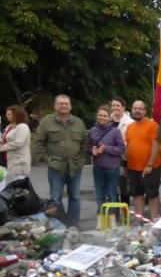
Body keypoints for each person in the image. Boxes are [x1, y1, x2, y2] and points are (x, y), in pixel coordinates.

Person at [33, 95, 87, 226]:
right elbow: (38, 142)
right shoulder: (47, 121)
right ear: (55, 106)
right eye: (60, 103)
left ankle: (73, 225)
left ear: (70, 106)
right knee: (56, 199)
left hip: (75, 166)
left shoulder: (78, 122)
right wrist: (47, 159)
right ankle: (59, 225)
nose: (64, 106)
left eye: (66, 104)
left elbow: (84, 144)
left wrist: (81, 160)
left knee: (75, 197)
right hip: (56, 166)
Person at [88, 105, 125, 226]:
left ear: (109, 117)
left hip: (112, 168)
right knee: (99, 195)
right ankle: (101, 221)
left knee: (112, 195)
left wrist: (106, 148)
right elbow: (88, 147)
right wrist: (91, 150)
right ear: (97, 116)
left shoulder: (115, 131)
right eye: (100, 115)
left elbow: (121, 149)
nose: (102, 118)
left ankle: (112, 220)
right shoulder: (92, 130)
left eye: (104, 116)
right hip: (98, 167)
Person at [125, 101, 161, 220]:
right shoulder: (130, 127)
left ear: (145, 111)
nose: (137, 111)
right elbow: (129, 145)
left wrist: (150, 164)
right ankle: (139, 220)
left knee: (152, 195)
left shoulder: (152, 125)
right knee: (137, 194)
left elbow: (156, 145)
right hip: (133, 167)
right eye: (135, 108)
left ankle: (154, 221)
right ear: (132, 110)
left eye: (140, 109)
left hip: (150, 167)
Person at [110, 97, 133, 205]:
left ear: (123, 108)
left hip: (123, 158)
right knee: (111, 186)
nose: (115, 108)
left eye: (118, 105)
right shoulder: (107, 120)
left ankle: (125, 212)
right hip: (109, 158)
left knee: (123, 186)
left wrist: (120, 143)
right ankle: (114, 213)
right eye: (113, 105)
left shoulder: (130, 123)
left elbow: (132, 141)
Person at [0, 105, 31, 181]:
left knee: (18, 182)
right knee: (4, 180)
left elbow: (18, 143)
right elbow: (5, 138)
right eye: (6, 114)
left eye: (9, 114)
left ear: (17, 115)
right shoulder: (10, 126)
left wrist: (1, 147)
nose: (6, 116)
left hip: (19, 160)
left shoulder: (23, 127)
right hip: (8, 157)